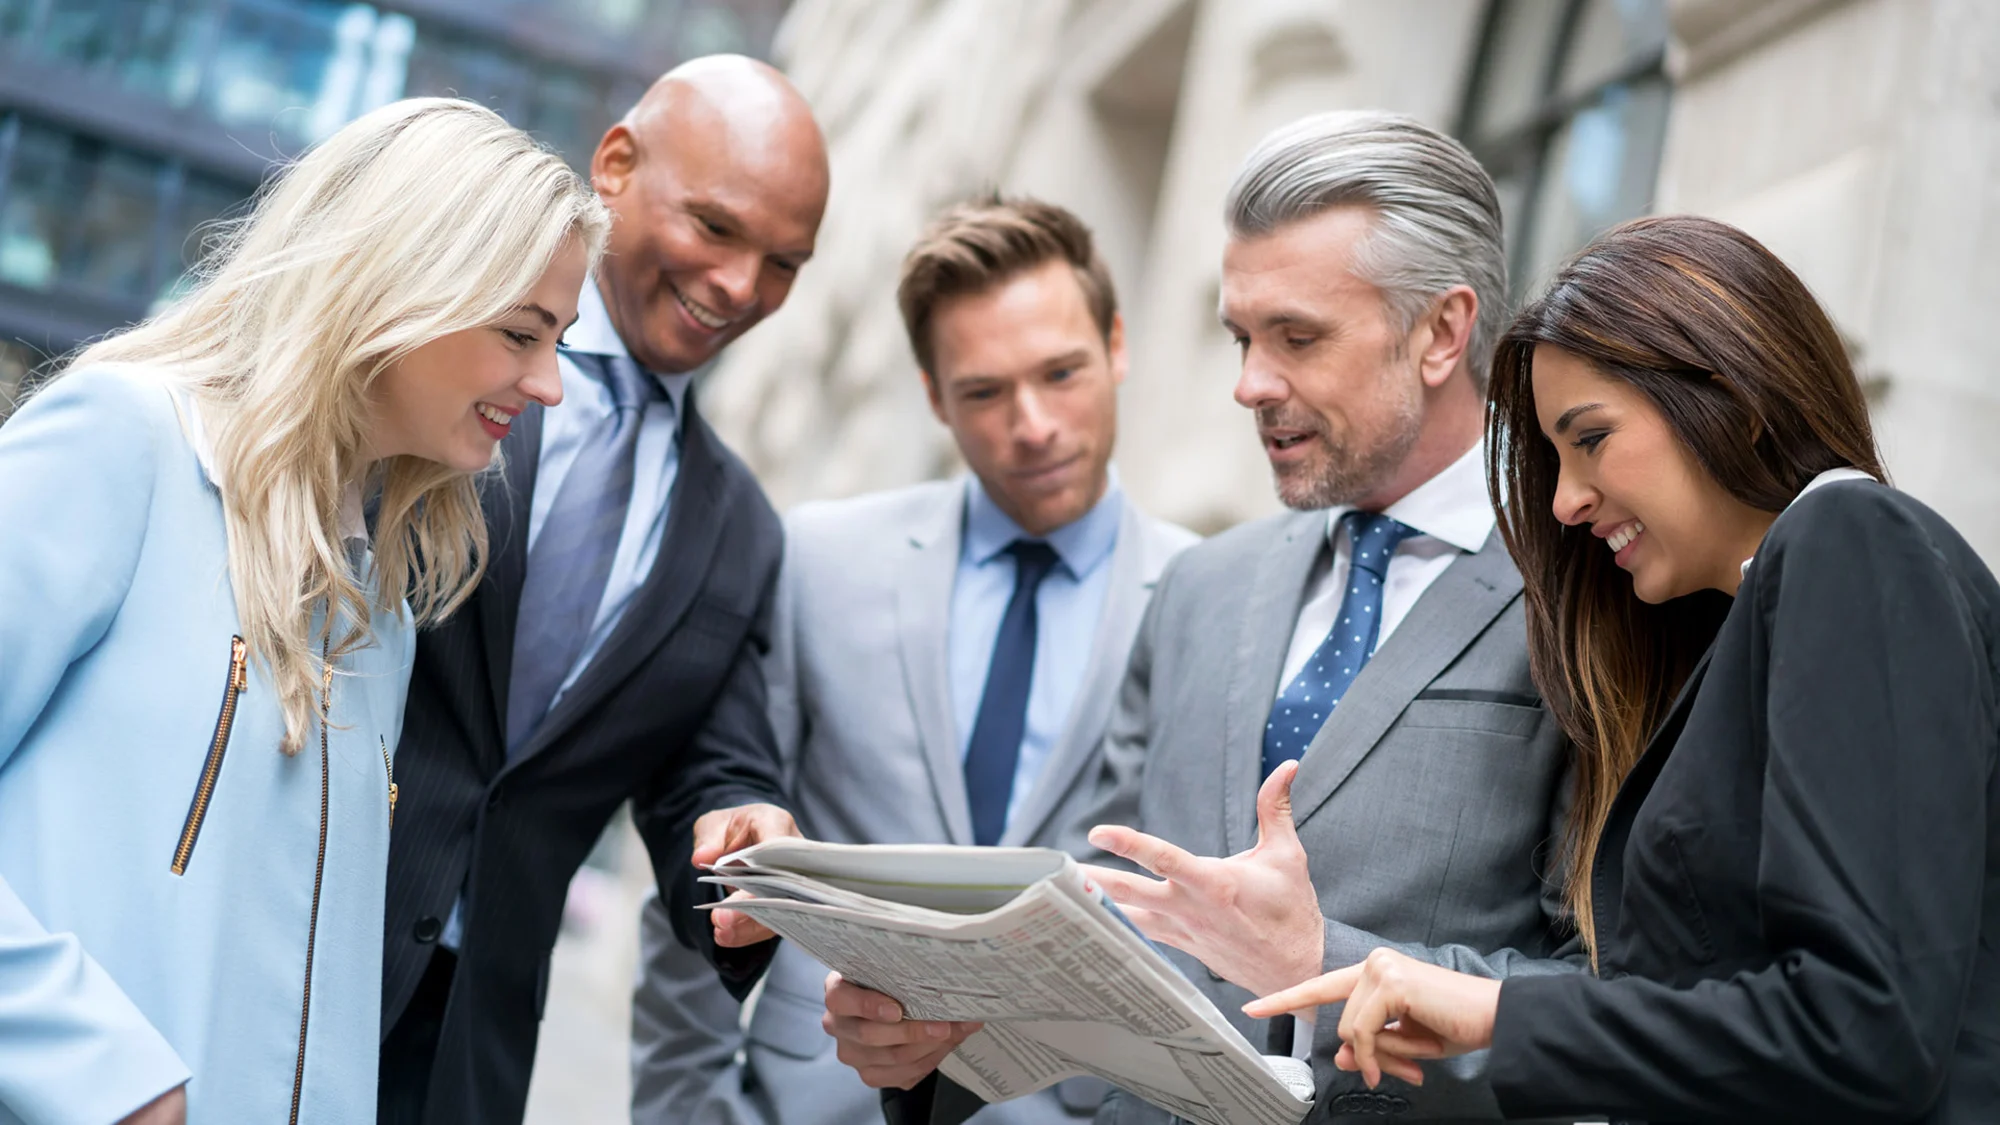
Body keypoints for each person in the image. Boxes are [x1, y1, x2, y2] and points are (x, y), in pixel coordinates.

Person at [833, 112, 1584, 1125]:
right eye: (1241, 337)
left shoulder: (1591, 605)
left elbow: (1604, 1001)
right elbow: (1092, 915)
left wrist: (1325, 964)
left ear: (1441, 332)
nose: (1248, 385)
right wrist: (938, 1030)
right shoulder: (1200, 588)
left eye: (1297, 338)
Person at [1248, 214, 2000, 1124]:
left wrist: (1502, 1013)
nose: (1565, 500)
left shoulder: (1853, 541)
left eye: (1591, 438)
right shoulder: (1750, 626)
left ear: (1731, 392)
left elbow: (1862, 1026)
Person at [0, 99, 604, 1125]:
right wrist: (100, 1074)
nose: (548, 384)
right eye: (520, 334)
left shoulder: (384, 598)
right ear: (404, 284)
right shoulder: (126, 442)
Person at [628, 196, 1199, 1125]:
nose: (1034, 424)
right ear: (935, 395)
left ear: (1118, 346)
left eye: (1062, 373)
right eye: (983, 391)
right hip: (807, 1099)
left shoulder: (1201, 597)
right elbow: (716, 848)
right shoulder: (819, 560)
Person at [376, 55, 830, 1125]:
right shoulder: (437, 365)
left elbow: (707, 777)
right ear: (615, 165)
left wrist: (741, 833)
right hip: (283, 944)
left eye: (783, 263)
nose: (737, 288)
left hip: (469, 1052)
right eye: (716, 229)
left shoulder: (739, 528)